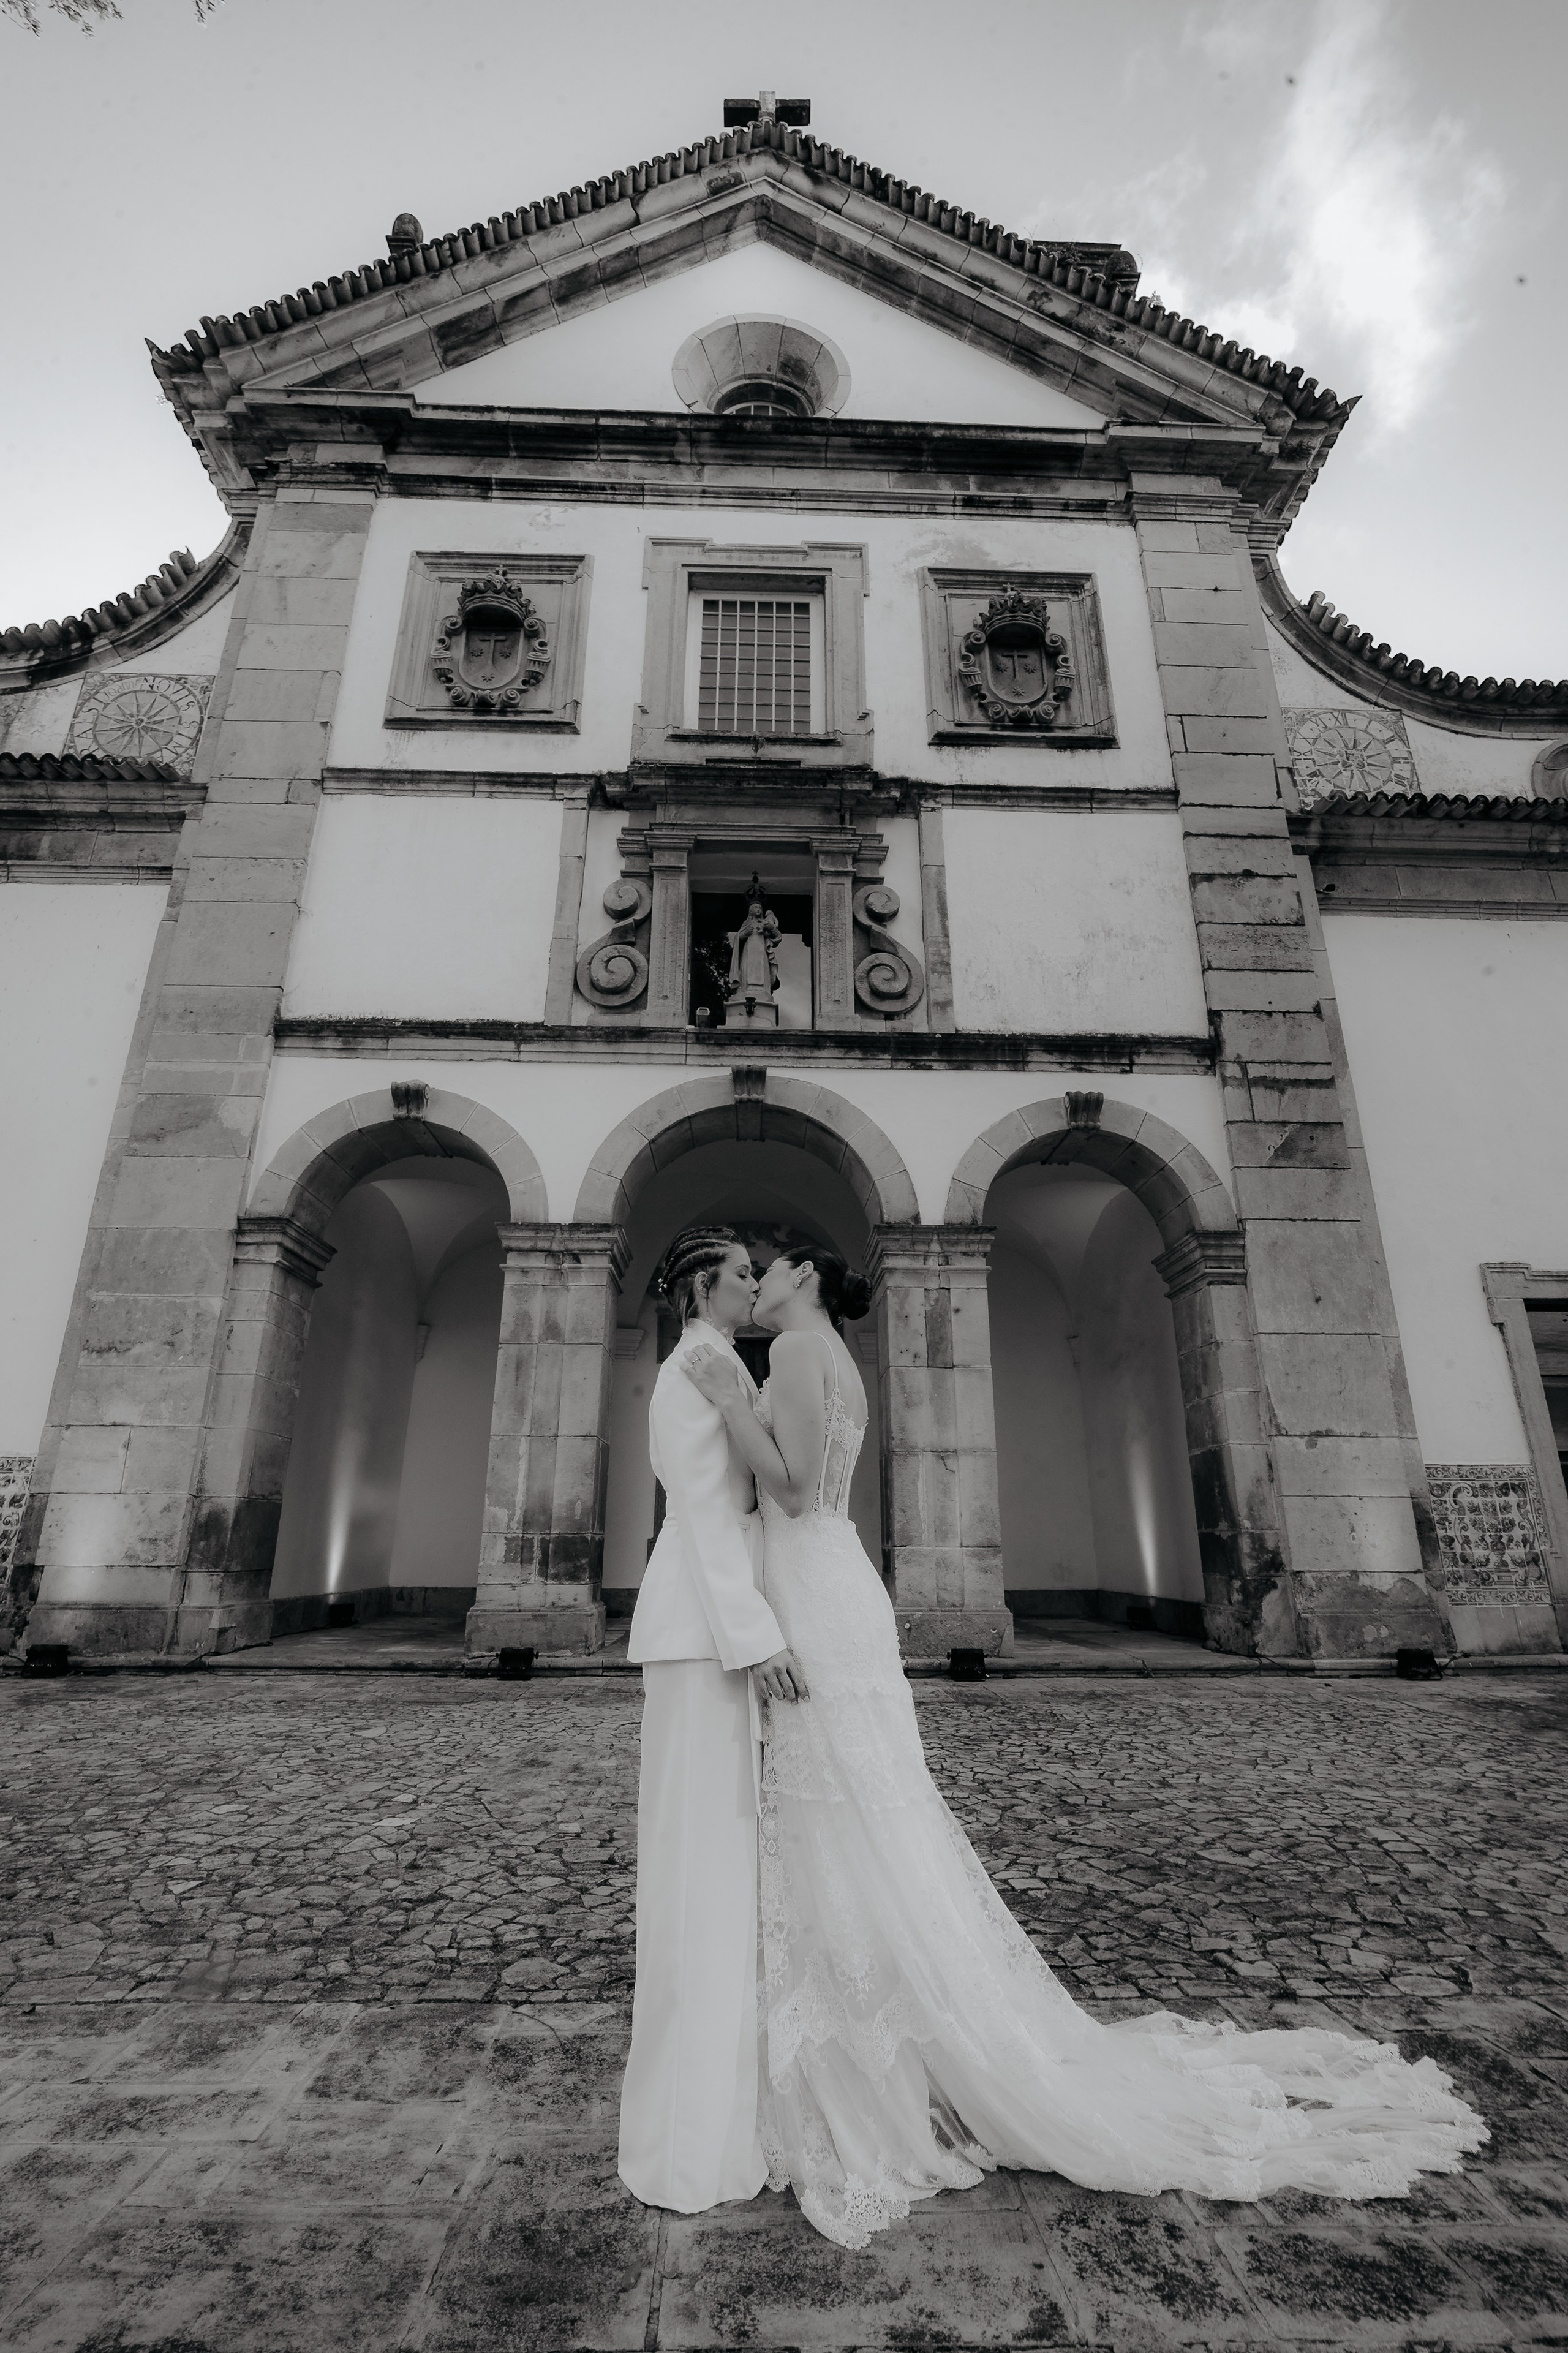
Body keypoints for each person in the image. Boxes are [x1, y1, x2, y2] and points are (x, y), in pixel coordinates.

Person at [682, 1241, 1488, 2251]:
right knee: (868, 1808)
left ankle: (871, 2050)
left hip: (813, 1584)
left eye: (777, 1266)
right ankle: (896, 2021)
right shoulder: (838, 1361)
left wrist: (726, 1399)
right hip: (839, 1587)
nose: (762, 1280)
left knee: (840, 1808)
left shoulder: (796, 1358)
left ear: (807, 1278)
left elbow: (794, 1491)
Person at [616, 1226, 810, 2218]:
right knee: (698, 1872)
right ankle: (691, 2139)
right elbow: (699, 1511)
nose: (751, 1283)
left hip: (711, 1629)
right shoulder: (699, 1360)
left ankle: (721, 2111)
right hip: (703, 1635)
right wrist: (756, 1632)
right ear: (703, 1285)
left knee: (721, 1871)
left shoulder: (719, 1359)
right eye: (740, 1273)